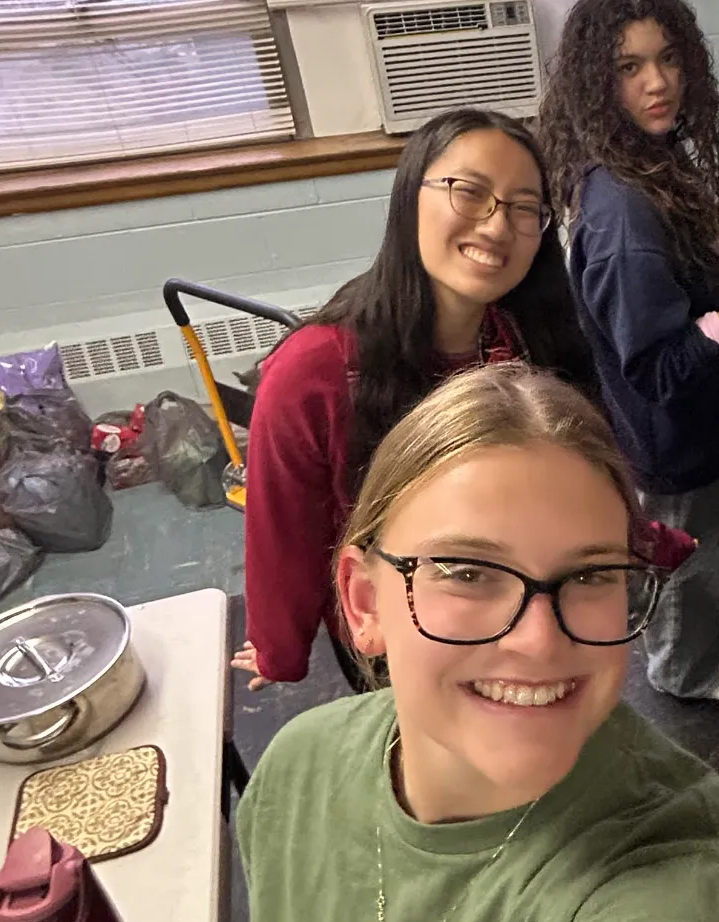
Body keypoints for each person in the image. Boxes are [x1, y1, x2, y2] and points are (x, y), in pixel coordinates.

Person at [238, 363, 719, 922]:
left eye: (590, 575)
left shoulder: (675, 869)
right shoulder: (295, 769)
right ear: (364, 603)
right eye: (467, 571)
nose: (538, 640)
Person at [234, 108, 596, 692]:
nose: (497, 226)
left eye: (524, 207)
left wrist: (642, 544)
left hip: (524, 608)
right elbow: (284, 532)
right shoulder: (316, 370)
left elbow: (579, 480)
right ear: (410, 199)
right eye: (470, 192)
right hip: (403, 638)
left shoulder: (524, 341)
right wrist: (280, 647)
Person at [539, 0, 719, 702]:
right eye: (629, 67)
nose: (658, 82)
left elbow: (687, 247)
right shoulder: (621, 214)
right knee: (691, 568)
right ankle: (682, 673)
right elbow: (659, 368)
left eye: (668, 58)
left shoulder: (649, 155)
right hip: (672, 442)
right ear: (597, 82)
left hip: (708, 424)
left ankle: (697, 639)